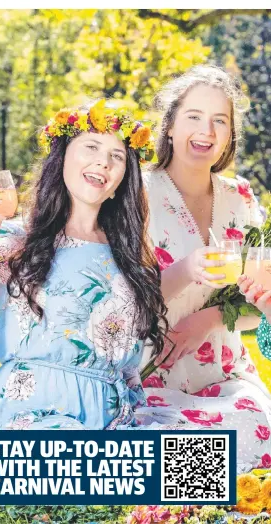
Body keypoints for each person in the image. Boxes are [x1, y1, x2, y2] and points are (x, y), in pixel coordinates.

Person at [0, 100, 168, 507]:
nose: (103, 162)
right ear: (62, 156)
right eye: (92, 147)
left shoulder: (133, 258)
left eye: (117, 156)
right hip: (33, 409)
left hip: (111, 421)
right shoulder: (15, 240)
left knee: (204, 469)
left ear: (122, 180)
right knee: (87, 479)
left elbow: (128, 359)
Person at [136, 65, 271, 472]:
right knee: (151, 442)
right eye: (194, 116)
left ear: (230, 134)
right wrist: (185, 272)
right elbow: (120, 299)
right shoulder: (135, 192)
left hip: (223, 375)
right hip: (149, 372)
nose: (206, 131)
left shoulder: (241, 198)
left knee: (258, 434)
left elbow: (255, 305)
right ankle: (198, 479)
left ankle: (188, 481)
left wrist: (209, 319)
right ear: (171, 125)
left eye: (220, 121)